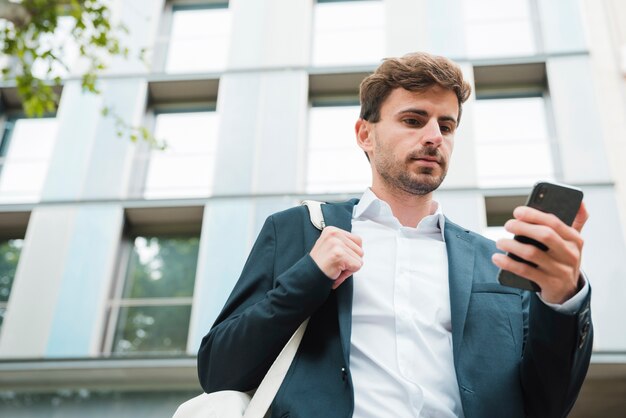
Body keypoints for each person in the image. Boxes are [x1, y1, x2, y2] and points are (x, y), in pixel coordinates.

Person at [197, 52, 593, 418]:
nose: (435, 136)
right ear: (365, 135)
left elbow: (547, 404)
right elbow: (220, 371)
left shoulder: (495, 263)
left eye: (447, 125)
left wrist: (561, 301)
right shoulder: (300, 231)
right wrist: (309, 277)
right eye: (413, 120)